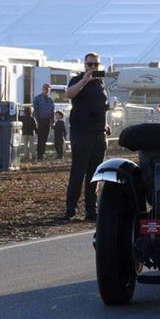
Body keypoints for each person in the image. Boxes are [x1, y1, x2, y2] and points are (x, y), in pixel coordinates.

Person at [65, 52, 112, 220]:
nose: (93, 68)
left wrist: (106, 125)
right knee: (78, 172)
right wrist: (84, 80)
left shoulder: (101, 83)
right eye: (90, 64)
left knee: (95, 174)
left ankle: (91, 210)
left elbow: (103, 106)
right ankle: (71, 208)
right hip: (82, 133)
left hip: (98, 134)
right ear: (84, 65)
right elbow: (69, 94)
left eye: (96, 65)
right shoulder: (77, 80)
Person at [32, 83, 55, 160]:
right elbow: (35, 111)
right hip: (40, 121)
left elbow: (52, 111)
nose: (46, 90)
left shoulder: (50, 100)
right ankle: (39, 154)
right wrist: (36, 121)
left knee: (45, 138)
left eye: (48, 89)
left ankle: (42, 153)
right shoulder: (37, 98)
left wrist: (52, 121)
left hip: (47, 120)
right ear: (43, 89)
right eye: (45, 89)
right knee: (40, 138)